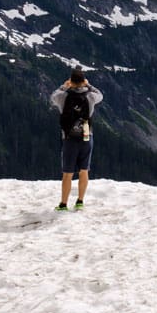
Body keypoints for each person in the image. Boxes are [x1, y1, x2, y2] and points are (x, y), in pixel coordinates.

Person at [50, 67, 103, 211]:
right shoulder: (90, 97)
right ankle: (80, 201)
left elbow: (54, 96)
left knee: (67, 174)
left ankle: (63, 204)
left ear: (71, 81)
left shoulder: (63, 97)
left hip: (69, 138)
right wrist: (89, 85)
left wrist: (64, 86)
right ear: (83, 81)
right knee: (84, 170)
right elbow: (100, 95)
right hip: (86, 135)